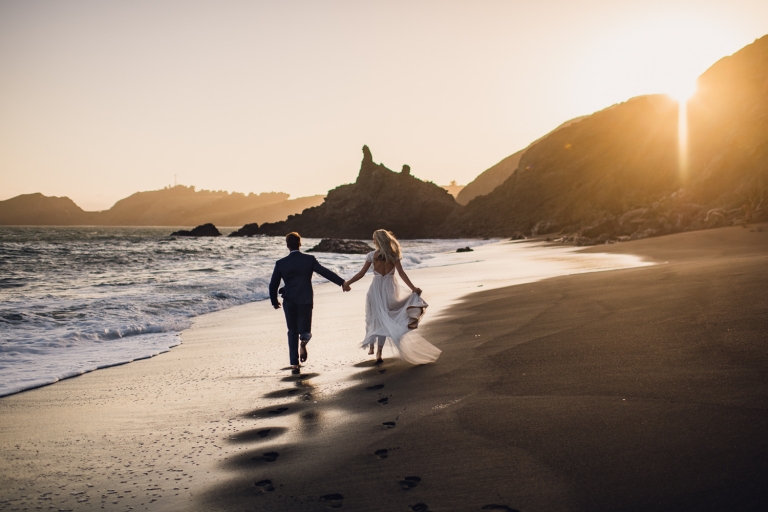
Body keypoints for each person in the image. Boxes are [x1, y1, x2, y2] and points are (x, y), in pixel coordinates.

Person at [344, 229, 441, 364]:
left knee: (375, 317)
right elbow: (401, 273)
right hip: (390, 288)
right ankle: (378, 351)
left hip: (376, 289)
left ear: (378, 241)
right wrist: (413, 288)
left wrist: (347, 283)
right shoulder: (394, 256)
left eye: (374, 239)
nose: (373, 241)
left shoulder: (372, 255)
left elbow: (360, 274)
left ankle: (372, 344)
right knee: (387, 317)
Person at [269, 232, 350, 374]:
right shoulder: (309, 259)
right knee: (305, 329)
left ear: (287, 245)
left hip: (289, 300)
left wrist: (274, 301)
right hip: (305, 299)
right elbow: (325, 272)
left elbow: (273, 285)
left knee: (292, 331)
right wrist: (342, 282)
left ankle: (294, 363)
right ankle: (304, 342)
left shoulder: (281, 263)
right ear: (300, 244)